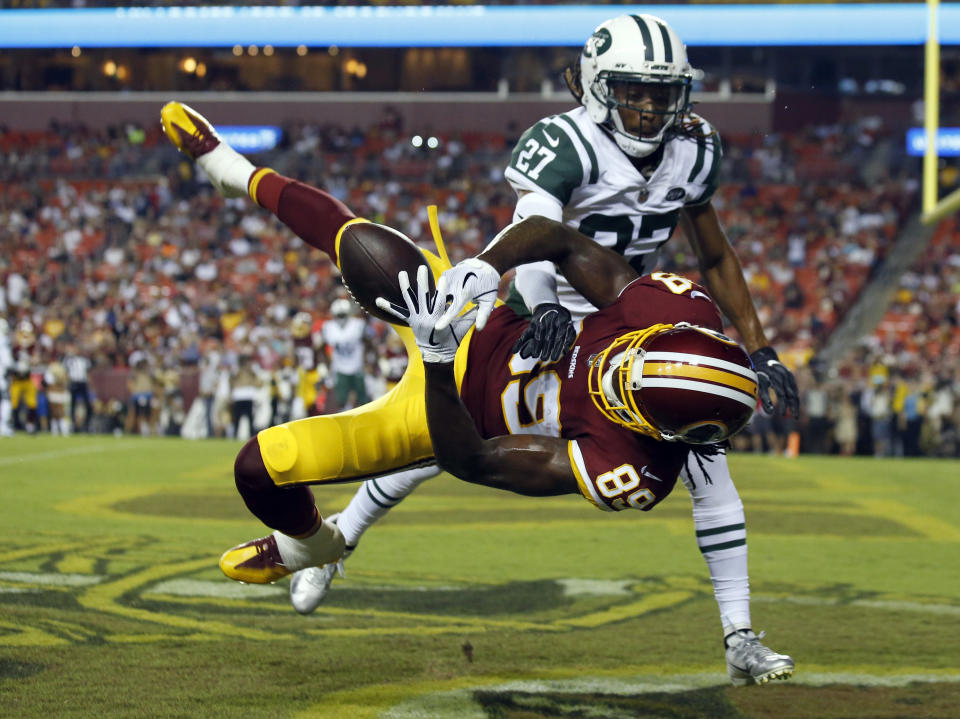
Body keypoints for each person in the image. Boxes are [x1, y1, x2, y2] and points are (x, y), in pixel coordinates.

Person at [160, 99, 794, 686]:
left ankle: (317, 544)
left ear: (661, 433)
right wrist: (485, 271)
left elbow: (472, 460)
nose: (617, 367)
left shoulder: (629, 467)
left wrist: (437, 366)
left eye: (630, 382)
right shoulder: (659, 308)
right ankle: (229, 167)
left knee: (262, 467)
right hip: (488, 321)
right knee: (359, 242)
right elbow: (556, 236)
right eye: (635, 356)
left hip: (446, 411)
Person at [293, 12, 800, 680]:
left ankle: (739, 636)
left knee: (707, 452)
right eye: (632, 89)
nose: (648, 106)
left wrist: (758, 346)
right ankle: (342, 535)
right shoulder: (564, 142)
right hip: (548, 305)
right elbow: (538, 230)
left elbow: (714, 249)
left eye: (660, 91)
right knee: (452, 436)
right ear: (595, 84)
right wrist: (539, 305)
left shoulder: (695, 147)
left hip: (630, 313)